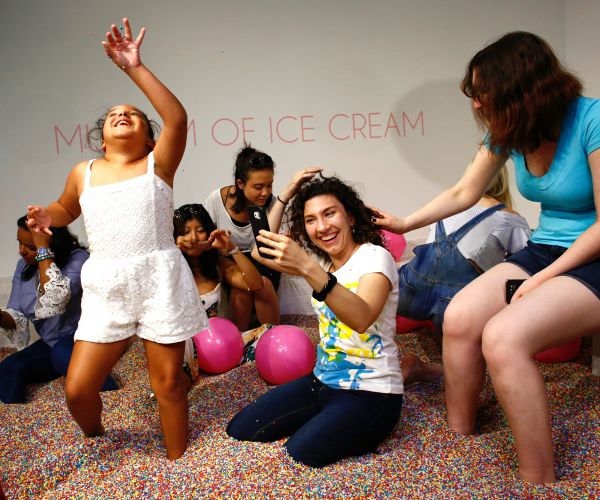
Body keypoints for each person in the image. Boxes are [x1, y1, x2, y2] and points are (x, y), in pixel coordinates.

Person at [373, 31, 600, 483]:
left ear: (520, 87)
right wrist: (405, 222)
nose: (477, 104)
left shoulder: (591, 119)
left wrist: (542, 280)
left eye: (482, 93)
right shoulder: (511, 130)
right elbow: (464, 191)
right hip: (547, 248)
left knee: (503, 337)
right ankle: (462, 442)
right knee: (460, 317)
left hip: (592, 255)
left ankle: (539, 479)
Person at [26, 19, 206, 460]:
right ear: (102, 139)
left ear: (149, 138)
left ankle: (178, 463)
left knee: (168, 383)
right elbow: (66, 208)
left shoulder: (157, 165)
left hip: (158, 278)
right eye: (113, 115)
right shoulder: (84, 172)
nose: (122, 115)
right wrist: (48, 216)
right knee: (77, 388)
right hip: (106, 285)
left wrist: (133, 67)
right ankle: (97, 439)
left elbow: (177, 118)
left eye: (134, 114)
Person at [227, 175, 404, 468]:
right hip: (321, 381)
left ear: (349, 216)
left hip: (372, 392)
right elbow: (260, 251)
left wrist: (307, 267)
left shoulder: (375, 257)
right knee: (242, 430)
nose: (321, 227)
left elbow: (361, 317)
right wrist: (284, 196)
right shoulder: (322, 263)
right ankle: (326, 417)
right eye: (310, 220)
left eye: (329, 213)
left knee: (301, 453)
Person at [398, 166, 530, 385]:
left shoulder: (445, 207)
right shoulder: (509, 218)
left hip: (410, 290)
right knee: (467, 365)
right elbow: (527, 263)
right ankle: (438, 370)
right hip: (454, 303)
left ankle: (402, 366)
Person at [0, 217, 117, 404]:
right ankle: (19, 414)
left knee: (62, 355)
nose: (22, 251)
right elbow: (16, 315)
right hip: (52, 343)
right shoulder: (23, 268)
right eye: (19, 243)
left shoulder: (78, 259)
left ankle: (111, 397)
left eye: (30, 246)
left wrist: (42, 250)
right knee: (9, 368)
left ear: (50, 243)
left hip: (86, 337)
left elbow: (54, 299)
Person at [173, 203, 264, 382]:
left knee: (267, 333)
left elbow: (256, 284)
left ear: (209, 233)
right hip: (185, 348)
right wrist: (171, 254)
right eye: (185, 232)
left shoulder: (218, 265)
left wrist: (232, 248)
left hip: (220, 344)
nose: (193, 238)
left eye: (200, 230)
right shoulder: (169, 270)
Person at [203, 146, 283, 329]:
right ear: (240, 184)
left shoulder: (273, 204)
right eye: (258, 187)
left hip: (263, 261)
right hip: (229, 261)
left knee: (264, 284)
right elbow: (206, 240)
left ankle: (270, 337)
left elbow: (273, 248)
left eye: (269, 185)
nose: (265, 192)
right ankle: (239, 339)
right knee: (242, 286)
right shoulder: (216, 200)